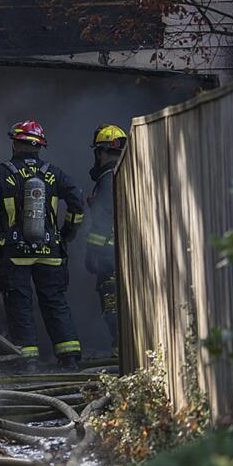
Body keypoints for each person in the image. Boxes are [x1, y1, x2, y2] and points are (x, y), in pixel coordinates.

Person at [0, 120, 86, 368]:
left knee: (20, 305)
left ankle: (28, 363)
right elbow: (77, 202)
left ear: (15, 143)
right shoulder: (54, 173)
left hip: (15, 254)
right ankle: (69, 357)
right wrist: (67, 232)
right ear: (39, 147)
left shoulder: (2, 173)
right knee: (55, 301)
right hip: (51, 251)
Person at [85, 124, 127, 353]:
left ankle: (120, 353)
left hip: (110, 259)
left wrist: (93, 254)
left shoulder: (108, 178)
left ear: (100, 152)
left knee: (112, 306)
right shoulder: (128, 172)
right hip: (127, 254)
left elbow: (101, 224)